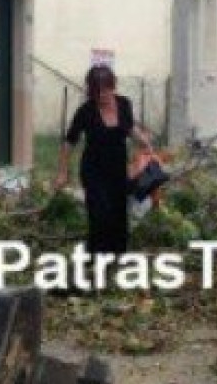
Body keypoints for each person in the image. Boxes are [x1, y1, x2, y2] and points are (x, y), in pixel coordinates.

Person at [56, 66, 153, 255]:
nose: (103, 95)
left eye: (107, 89)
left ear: (113, 85)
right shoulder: (85, 111)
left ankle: (117, 257)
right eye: (98, 91)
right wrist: (62, 172)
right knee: (100, 213)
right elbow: (69, 142)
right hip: (94, 170)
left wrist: (144, 143)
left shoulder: (124, 104)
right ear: (91, 91)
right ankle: (97, 258)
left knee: (118, 213)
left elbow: (129, 127)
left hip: (117, 169)